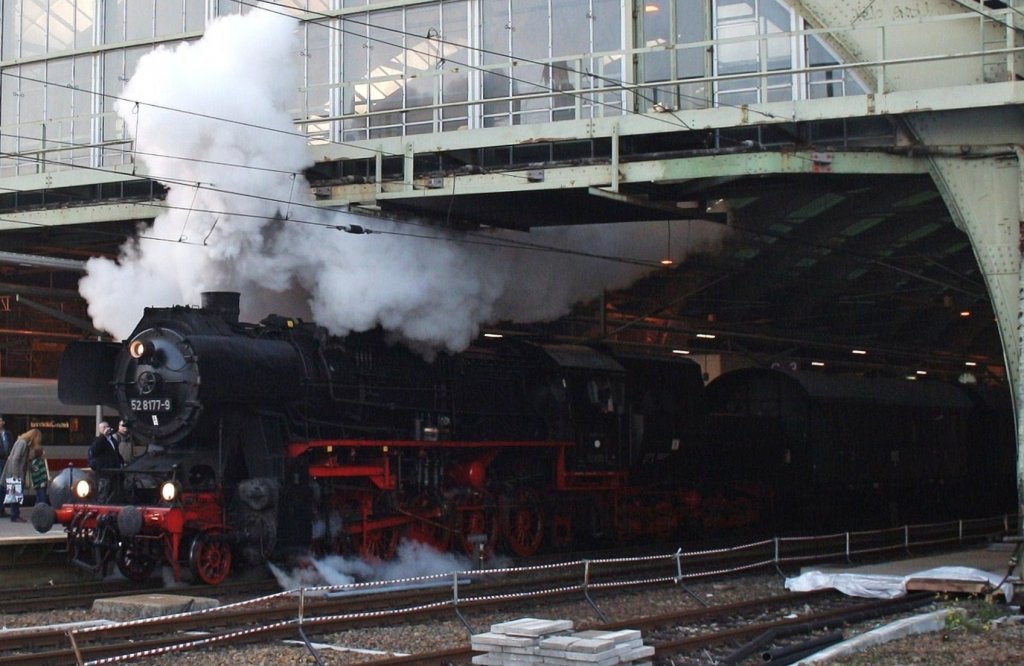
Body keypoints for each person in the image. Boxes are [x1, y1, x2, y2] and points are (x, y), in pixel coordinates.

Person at [1, 428, 41, 523]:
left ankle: (14, 514)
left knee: (12, 495)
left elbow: (24, 461)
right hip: (15, 473)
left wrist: (32, 468)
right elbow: (16, 459)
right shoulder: (22, 443)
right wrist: (16, 476)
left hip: (15, 473)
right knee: (15, 495)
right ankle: (15, 516)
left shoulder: (23, 443)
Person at [88, 421, 123, 503]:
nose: (106, 428)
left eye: (107, 426)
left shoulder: (113, 440)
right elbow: (95, 450)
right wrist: (103, 436)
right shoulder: (98, 440)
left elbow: (116, 453)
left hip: (115, 472)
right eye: (103, 427)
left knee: (114, 494)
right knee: (103, 493)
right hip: (105, 473)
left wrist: (121, 462)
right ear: (100, 429)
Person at [0, 416, 11, 517]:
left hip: (7, 462)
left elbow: (11, 445)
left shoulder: (8, 434)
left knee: (4, 486)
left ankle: (2, 508)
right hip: (0, 461)